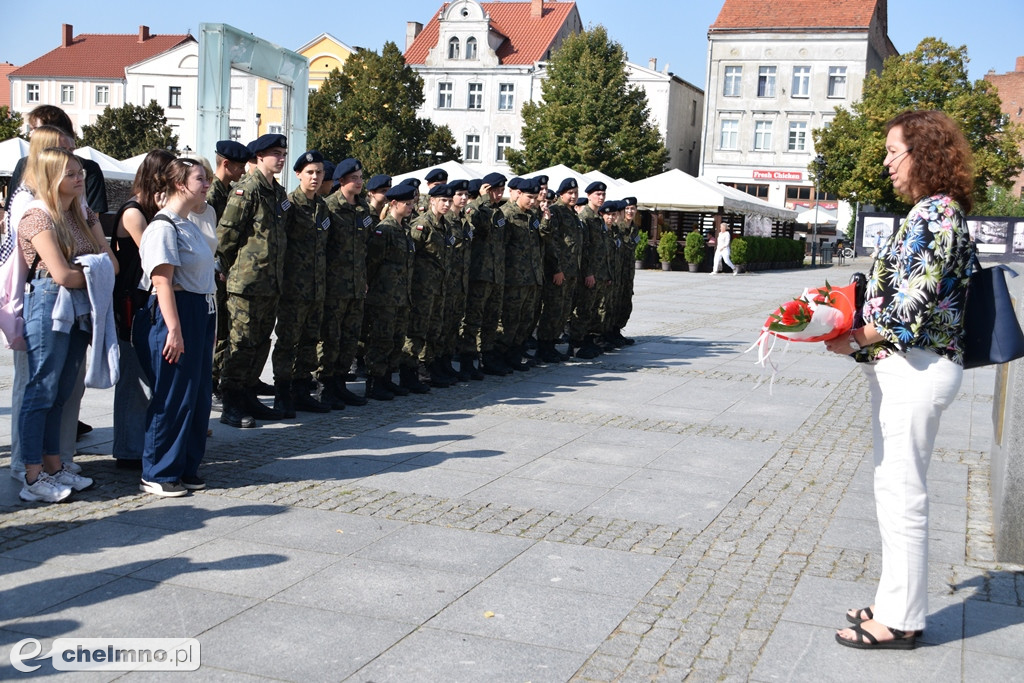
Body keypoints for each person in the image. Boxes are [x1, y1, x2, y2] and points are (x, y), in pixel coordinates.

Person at [826, 110, 975, 650]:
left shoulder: (938, 215)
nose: (886, 161)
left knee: (902, 493)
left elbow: (913, 305)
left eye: (895, 150)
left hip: (918, 367)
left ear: (925, 154)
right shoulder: (927, 212)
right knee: (892, 489)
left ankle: (903, 621)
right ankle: (894, 602)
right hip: (905, 367)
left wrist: (857, 334)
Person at [17, 147, 116, 502]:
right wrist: (92, 270)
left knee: (60, 392)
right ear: (51, 177)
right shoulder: (37, 216)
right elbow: (60, 273)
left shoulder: (78, 213)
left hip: (76, 305)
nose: (80, 178)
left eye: (80, 173)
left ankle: (54, 466)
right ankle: (32, 475)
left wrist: (93, 256)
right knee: (41, 389)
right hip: (48, 301)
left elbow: (111, 262)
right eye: (71, 173)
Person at [137, 158, 217, 497]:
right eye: (200, 179)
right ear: (181, 184)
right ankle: (158, 470)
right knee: (173, 395)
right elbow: (162, 282)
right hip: (177, 311)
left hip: (200, 309)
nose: (206, 184)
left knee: (197, 395)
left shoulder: (189, 224)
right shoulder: (163, 225)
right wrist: (174, 329)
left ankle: (186, 466)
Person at [216, 133, 290, 428]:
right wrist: (225, 270)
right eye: (275, 153)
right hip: (246, 284)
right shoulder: (246, 191)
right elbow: (226, 236)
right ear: (259, 157)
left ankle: (248, 395)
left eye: (283, 153)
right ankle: (231, 401)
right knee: (241, 343)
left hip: (270, 284)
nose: (281, 158)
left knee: (260, 343)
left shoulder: (278, 193)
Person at [110, 149, 175, 470]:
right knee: (132, 377)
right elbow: (152, 252)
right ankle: (128, 448)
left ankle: (146, 441)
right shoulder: (134, 212)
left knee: (148, 373)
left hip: (146, 301)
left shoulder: (154, 210)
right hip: (128, 304)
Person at [271, 150, 332, 416]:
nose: (315, 177)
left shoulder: (323, 206)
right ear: (298, 175)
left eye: (319, 172)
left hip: (317, 289)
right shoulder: (289, 205)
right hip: (293, 289)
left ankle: (301, 390)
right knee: (288, 342)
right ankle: (282, 393)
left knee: (309, 341)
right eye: (310, 172)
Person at [363, 183, 419, 400]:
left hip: (401, 296)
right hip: (384, 297)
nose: (411, 208)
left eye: (413, 204)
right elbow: (372, 263)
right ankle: (374, 382)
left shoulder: (404, 231)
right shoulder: (384, 230)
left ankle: (386, 379)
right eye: (407, 204)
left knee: (396, 340)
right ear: (393, 203)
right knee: (380, 339)